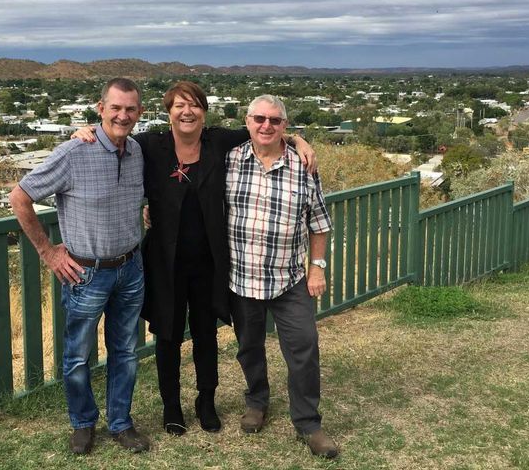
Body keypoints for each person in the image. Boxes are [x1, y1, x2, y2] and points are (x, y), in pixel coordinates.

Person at [71, 81, 316, 436]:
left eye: (195, 105)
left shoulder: (218, 142)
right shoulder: (150, 146)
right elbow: (115, 135)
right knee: (167, 336)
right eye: (179, 105)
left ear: (204, 112)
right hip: (164, 262)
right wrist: (87, 130)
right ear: (167, 111)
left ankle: (206, 401)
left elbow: (265, 130)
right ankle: (172, 406)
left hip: (210, 262)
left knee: (205, 334)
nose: (187, 111)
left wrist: (299, 140)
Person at [8, 77, 150, 456]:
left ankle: (120, 423)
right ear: (100, 108)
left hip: (130, 268)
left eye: (130, 109)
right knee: (77, 356)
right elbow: (19, 196)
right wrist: (49, 252)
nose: (123, 115)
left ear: (140, 113)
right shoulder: (73, 152)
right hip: (85, 273)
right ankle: (83, 423)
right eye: (115, 107)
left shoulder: (137, 151)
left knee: (125, 351)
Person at [225, 94, 338, 459]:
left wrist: (316, 268)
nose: (266, 125)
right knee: (249, 348)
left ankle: (308, 423)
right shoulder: (230, 161)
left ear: (285, 127)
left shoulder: (303, 167)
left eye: (275, 120)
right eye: (259, 118)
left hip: (289, 280)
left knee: (304, 349)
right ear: (247, 121)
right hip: (241, 279)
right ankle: (257, 402)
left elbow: (319, 223)